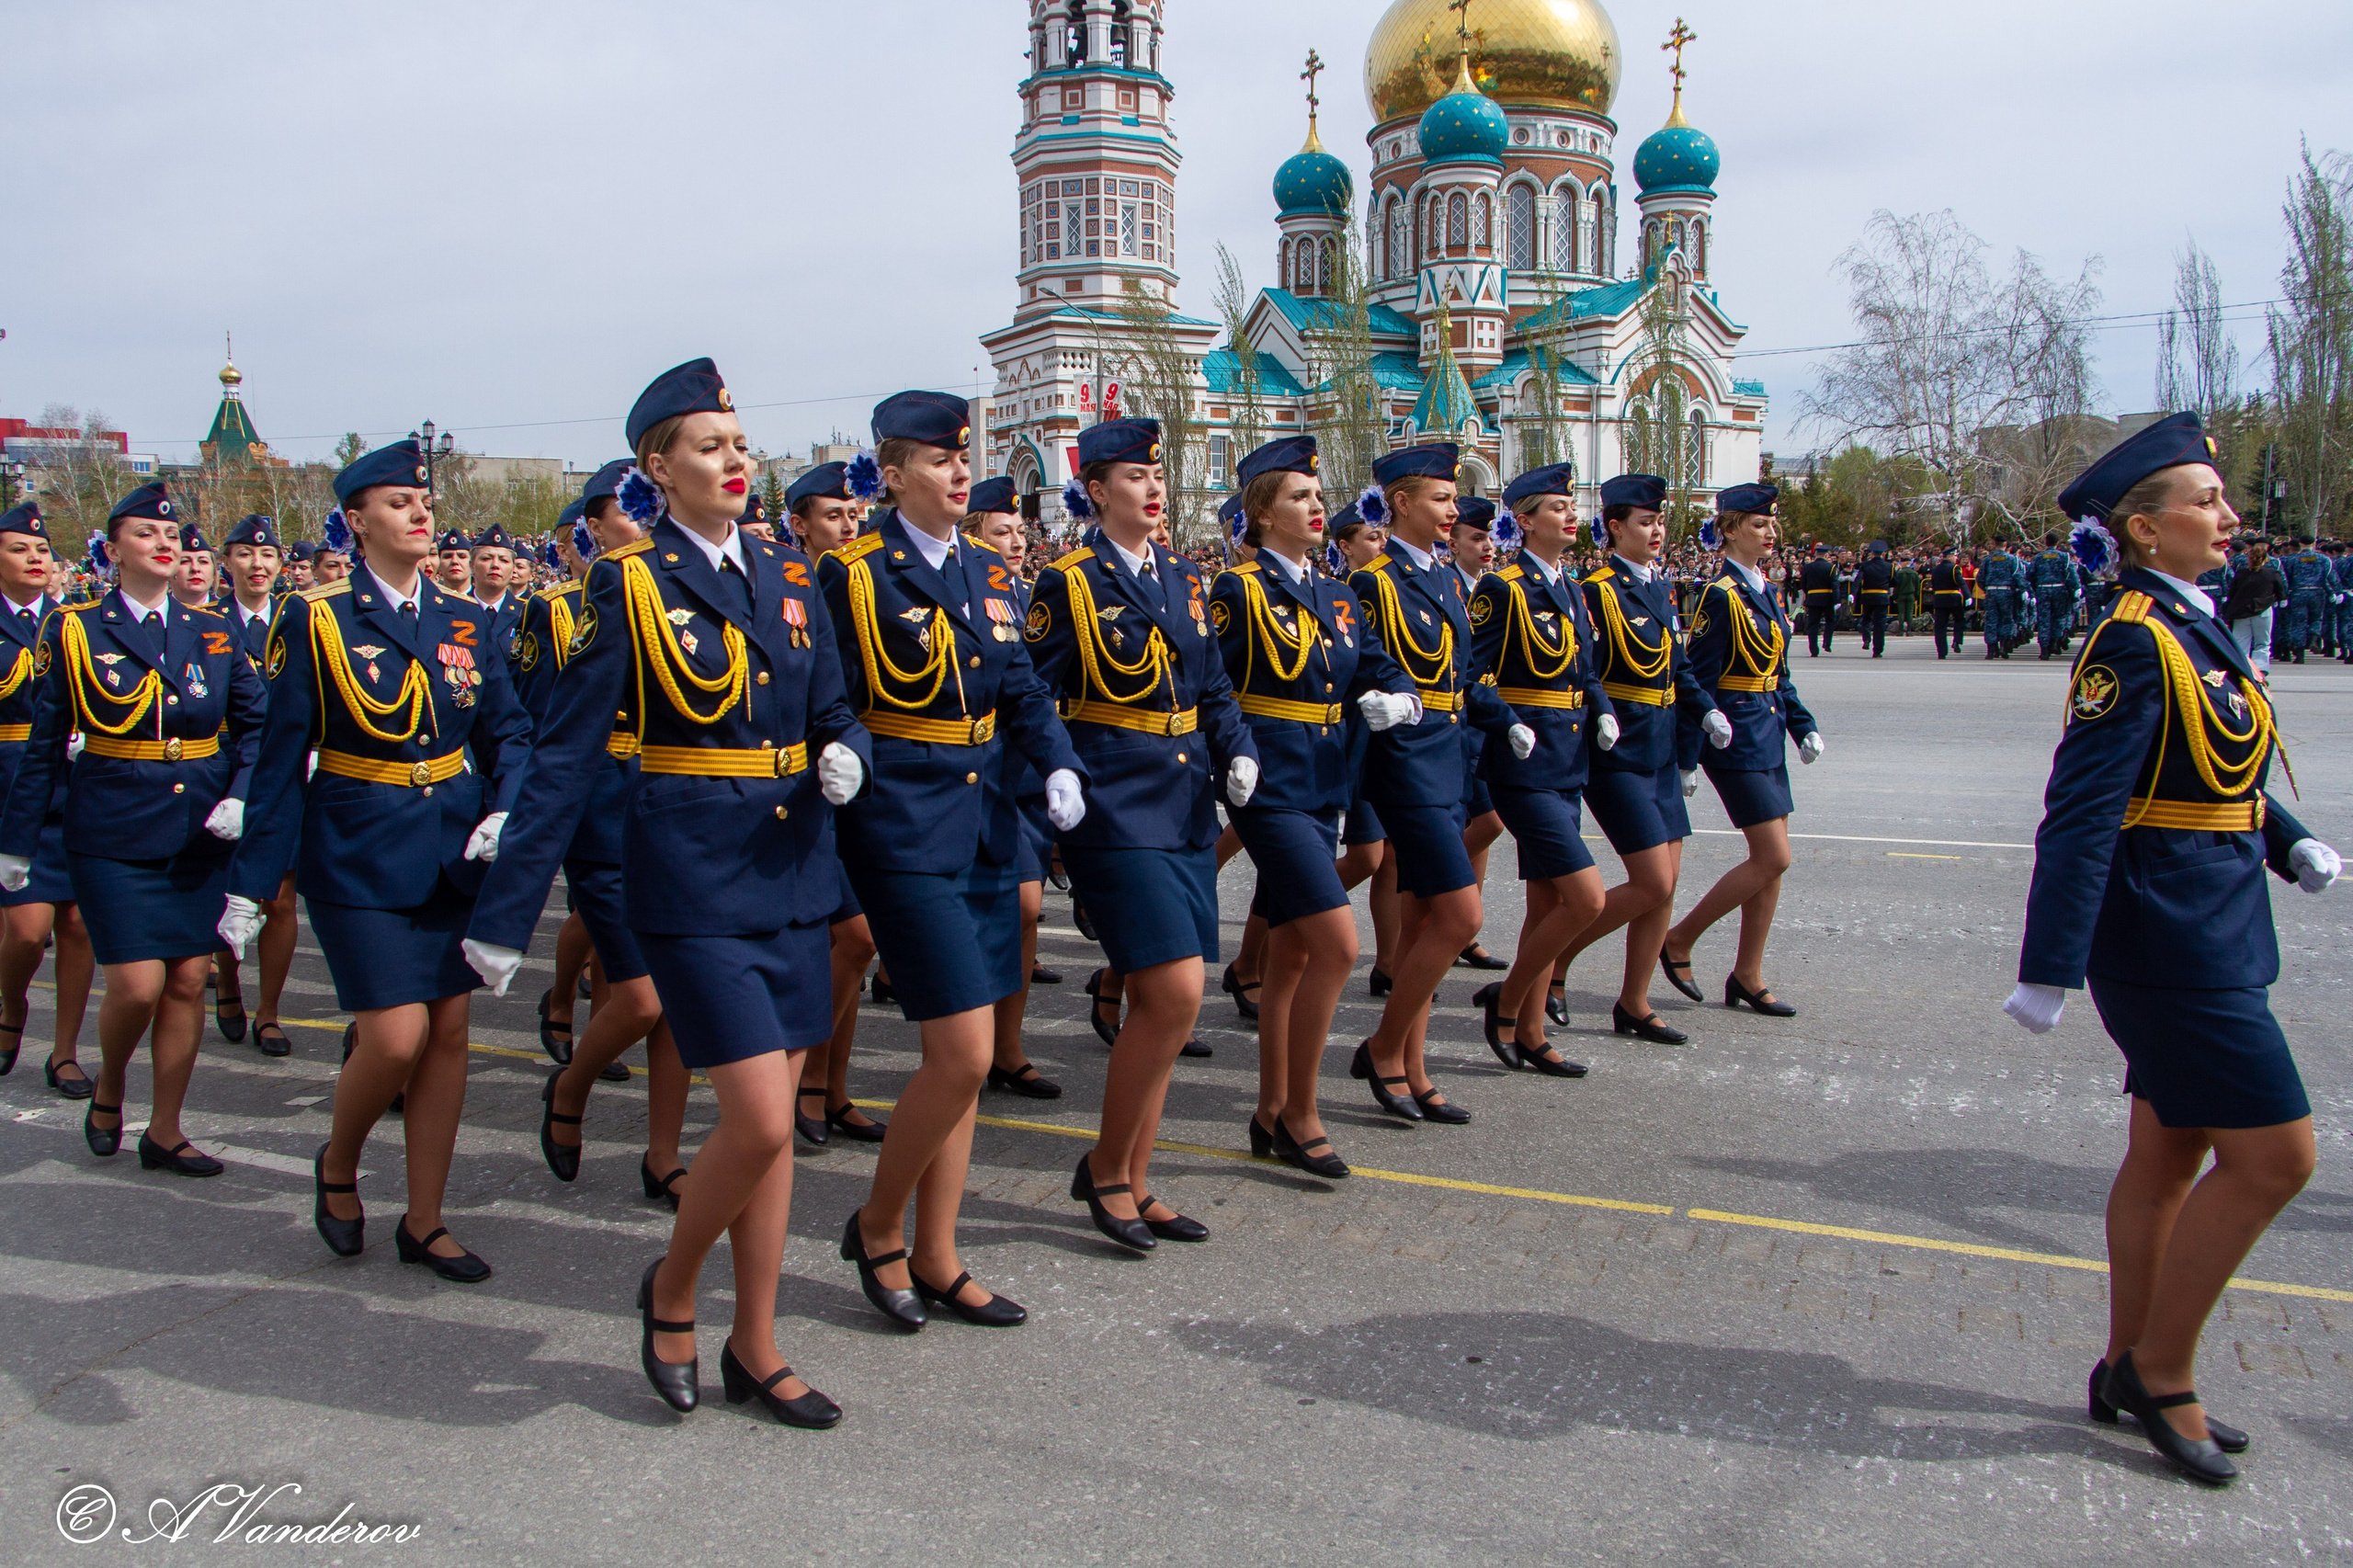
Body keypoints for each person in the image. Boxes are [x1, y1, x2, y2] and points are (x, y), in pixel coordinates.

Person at [467, 359, 869, 1426]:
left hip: (791, 873)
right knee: (757, 1115)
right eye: (707, 445)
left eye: (739, 442)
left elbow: (833, 701)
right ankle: (675, 1286)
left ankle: (759, 1342)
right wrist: (507, 911)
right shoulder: (628, 583)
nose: (733, 459)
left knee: (774, 1130)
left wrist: (845, 749)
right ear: (658, 468)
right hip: (690, 881)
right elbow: (562, 755)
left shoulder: (790, 576)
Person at [2006, 412, 2340, 1486]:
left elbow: (2214, 772)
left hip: (2214, 915)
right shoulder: (2133, 639)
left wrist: (2287, 844)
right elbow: (2082, 810)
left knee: (2170, 1154)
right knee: (2277, 1155)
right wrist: (2049, 963)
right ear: (2144, 530)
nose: (2230, 515)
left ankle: (2121, 1363)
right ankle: (2164, 1368)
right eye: (2206, 498)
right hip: (2165, 939)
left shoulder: (2190, 625)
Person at [221, 440, 527, 1282]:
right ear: (357, 522)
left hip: (452, 850)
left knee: (449, 1034)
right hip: (357, 851)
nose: (420, 514)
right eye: (398, 504)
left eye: (423, 502)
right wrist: (253, 881)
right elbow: (281, 760)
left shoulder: (467, 618)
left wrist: (507, 805)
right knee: (395, 1038)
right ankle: (339, 1160)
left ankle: (425, 1220)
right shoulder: (316, 618)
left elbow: (511, 732)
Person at [824, 392, 1085, 1322]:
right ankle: (879, 1224)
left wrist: (1055, 762)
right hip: (898, 829)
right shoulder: (854, 575)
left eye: (962, 458)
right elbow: (830, 695)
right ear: (892, 474)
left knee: (957, 1061)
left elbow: (1019, 686)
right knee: (966, 1052)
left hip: (980, 825)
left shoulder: (986, 572)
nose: (959, 472)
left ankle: (937, 1249)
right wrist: (843, 743)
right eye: (938, 460)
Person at [1029, 416, 1254, 1241]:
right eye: (1133, 478)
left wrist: (1236, 749)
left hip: (1187, 798)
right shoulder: (1070, 583)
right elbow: (1034, 697)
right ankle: (1106, 1171)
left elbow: (1214, 686)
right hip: (1116, 808)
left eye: (1157, 477)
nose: (1153, 491)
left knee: (1173, 1008)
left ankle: (1129, 1173)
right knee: (1173, 990)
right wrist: (1049, 792)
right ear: (1095, 491)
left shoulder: (1185, 578)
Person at [0, 483, 265, 1176]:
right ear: (113, 550)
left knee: (185, 982)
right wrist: (16, 842)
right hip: (112, 832)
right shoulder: (78, 628)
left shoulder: (214, 629)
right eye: (146, 533)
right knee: (139, 987)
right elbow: (44, 740)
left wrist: (241, 795)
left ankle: (168, 1129)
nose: (165, 542)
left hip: (198, 831)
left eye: (171, 534)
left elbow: (259, 726)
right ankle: (112, 1085)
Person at [1212, 437, 1415, 1176]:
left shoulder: (1336, 593)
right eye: (1298, 495)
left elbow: (1377, 661)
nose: (1315, 505)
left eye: (1316, 494)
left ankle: (1271, 1108)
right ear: (1263, 513)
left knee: (1295, 955)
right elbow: (1216, 686)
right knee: (1338, 945)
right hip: (1270, 788)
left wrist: (1401, 695)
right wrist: (1231, 750)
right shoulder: (1239, 591)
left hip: (1327, 782)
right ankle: (1300, 1111)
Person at [516, 482, 694, 1206]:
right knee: (644, 999)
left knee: (679, 997)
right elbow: (539, 731)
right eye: (629, 510)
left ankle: (663, 1154)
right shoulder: (556, 609)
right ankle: (573, 1083)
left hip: (674, 808)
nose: (645, 522)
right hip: (600, 812)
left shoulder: (687, 596)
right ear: (593, 526)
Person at [1347, 446, 1526, 1126]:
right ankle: (1385, 1046)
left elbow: (1461, 675)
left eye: (1455, 500)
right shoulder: (1375, 582)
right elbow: (1359, 669)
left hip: (1450, 758)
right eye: (1441, 499)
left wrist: (1500, 721)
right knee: (1461, 916)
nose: (1454, 510)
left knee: (1427, 919)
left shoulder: (1450, 580)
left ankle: (1414, 1068)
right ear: (1400, 503)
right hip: (1404, 765)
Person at [1546, 475, 1729, 1044]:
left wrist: (1703, 715)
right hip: (1616, 748)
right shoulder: (1597, 590)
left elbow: (1679, 668)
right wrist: (1598, 714)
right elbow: (1585, 668)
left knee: (1666, 884)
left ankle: (1634, 1001)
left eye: (1660, 522)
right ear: (1616, 527)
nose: (1656, 532)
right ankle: (1545, 964)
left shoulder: (1662, 587)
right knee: (1650, 881)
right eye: (1645, 522)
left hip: (1663, 744)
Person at [1464, 462, 1615, 1076]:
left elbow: (1584, 670)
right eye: (1557, 507)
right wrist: (1507, 721)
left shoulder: (1572, 588)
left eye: (1571, 504)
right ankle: (1507, 1000)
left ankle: (1529, 1031)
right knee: (1587, 899)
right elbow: (1472, 677)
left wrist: (1601, 710)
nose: (1570, 513)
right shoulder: (1505, 588)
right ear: (1523, 521)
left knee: (1547, 902)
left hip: (1567, 759)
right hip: (1522, 766)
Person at [1661, 485, 1822, 1016]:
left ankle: (1748, 974)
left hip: (1767, 732)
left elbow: (1779, 673)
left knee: (1769, 864)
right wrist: (1688, 757)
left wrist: (1803, 726)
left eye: (1771, 525)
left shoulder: (1768, 591)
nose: (1770, 533)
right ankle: (1680, 938)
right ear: (1729, 530)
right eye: (1757, 524)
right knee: (1775, 855)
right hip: (1733, 738)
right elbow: (1696, 680)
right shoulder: (1720, 595)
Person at [779, 460, 890, 1145]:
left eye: (855, 515)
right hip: (811, 783)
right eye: (833, 517)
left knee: (856, 945)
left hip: (864, 777)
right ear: (800, 525)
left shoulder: (868, 576)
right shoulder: (797, 583)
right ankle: (806, 1083)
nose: (850, 527)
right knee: (848, 939)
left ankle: (834, 1084)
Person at [962, 476, 1067, 1102]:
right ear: (974, 536)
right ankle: (969, 1047)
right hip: (977, 768)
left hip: (1025, 770)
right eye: (1001, 532)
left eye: (1020, 532)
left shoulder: (1026, 592)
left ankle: (1008, 1048)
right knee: (1002, 911)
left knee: (1025, 911)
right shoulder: (969, 590)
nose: (1016, 542)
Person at [0, 502, 95, 1099]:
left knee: (80, 926)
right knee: (29, 933)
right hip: (10, 790)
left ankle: (65, 1052)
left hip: (77, 789)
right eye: (19, 549)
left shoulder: (75, 622)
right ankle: (12, 1010)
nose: (36, 558)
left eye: (41, 550)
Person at [211, 514, 300, 1059]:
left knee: (282, 897)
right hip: (227, 768)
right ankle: (226, 981)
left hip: (286, 767)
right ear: (228, 564)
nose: (257, 564)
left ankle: (269, 1010)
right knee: (232, 885)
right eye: (245, 554)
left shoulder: (299, 617)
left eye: (267, 556)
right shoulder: (207, 623)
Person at [1328, 503, 1404, 997]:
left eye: (1383, 537)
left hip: (1398, 725)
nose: (1381, 545)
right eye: (1371, 538)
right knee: (1366, 857)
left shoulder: (1400, 582)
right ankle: (1284, 920)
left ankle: (1391, 963)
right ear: (1346, 547)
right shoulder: (1359, 588)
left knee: (1391, 858)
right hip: (1362, 731)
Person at [1444, 497, 1509, 973]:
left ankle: (1467, 929)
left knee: (1485, 828)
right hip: (1454, 722)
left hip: (1486, 721)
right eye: (1476, 538)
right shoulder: (1445, 585)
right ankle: (1442, 898)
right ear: (1454, 543)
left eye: (1490, 538)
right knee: (1480, 825)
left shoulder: (1498, 589)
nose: (1487, 547)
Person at [2218, 536, 2287, 676]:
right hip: (2263, 610)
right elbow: (2280, 590)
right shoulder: (2271, 573)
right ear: (2265, 558)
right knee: (2262, 643)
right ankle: (2261, 669)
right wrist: (2281, 600)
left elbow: (2232, 592)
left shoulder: (2241, 574)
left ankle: (2241, 667)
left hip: (2241, 611)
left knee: (2240, 641)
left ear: (2249, 558)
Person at [469, 523, 524, 657]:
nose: (495, 565)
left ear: (512, 570)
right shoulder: (453, 609)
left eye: (504, 560)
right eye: (486, 558)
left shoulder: (525, 613)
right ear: (472, 565)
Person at [2029, 531, 2082, 660]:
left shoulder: (2038, 557)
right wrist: (2075, 591)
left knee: (2044, 619)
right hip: (2060, 589)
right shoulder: (2064, 557)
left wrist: (2036, 587)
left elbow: (2030, 575)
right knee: (2059, 618)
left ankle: (2044, 649)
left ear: (2045, 543)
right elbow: (2071, 575)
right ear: (2057, 544)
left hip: (2043, 590)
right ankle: (2055, 642)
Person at [2279, 535, 2329, 664]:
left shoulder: (2292, 559)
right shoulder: (2323, 559)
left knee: (2298, 622)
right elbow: (2328, 577)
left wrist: (2285, 594)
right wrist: (2333, 592)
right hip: (2317, 591)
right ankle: (2312, 638)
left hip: (2298, 592)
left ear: (2300, 543)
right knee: (2316, 618)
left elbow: (2285, 578)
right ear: (2314, 543)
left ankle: (2300, 653)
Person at [1980, 540, 2027, 658]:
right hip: (2007, 592)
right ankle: (2004, 647)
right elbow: (2018, 575)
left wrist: (1987, 589)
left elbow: (1980, 577)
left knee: (1991, 620)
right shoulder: (2012, 559)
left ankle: (1991, 649)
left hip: (1991, 591)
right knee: (2007, 619)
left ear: (1995, 545)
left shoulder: (1988, 559)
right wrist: (2022, 589)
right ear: (2006, 546)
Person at [1852, 540, 1893, 657]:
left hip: (1868, 596)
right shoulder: (1889, 566)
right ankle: (1878, 650)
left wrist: (1853, 593)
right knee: (1880, 624)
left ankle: (1866, 638)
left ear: (1872, 553)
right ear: (1883, 553)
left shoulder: (1865, 565)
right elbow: (1895, 581)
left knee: (1866, 619)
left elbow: (1858, 580)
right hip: (1882, 597)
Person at [1798, 542, 1836, 655]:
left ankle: (1813, 650)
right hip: (1827, 598)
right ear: (1826, 555)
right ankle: (1827, 642)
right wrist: (1836, 600)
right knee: (1830, 621)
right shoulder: (1831, 567)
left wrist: (1809, 593)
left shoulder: (1808, 567)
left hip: (1813, 598)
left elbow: (1803, 583)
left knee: (1813, 624)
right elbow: (1834, 585)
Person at [1928, 546, 1966, 659]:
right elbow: (1961, 583)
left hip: (1939, 599)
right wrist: (1968, 596)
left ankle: (1941, 651)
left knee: (1940, 626)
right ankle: (1957, 641)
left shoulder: (1935, 569)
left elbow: (1934, 585)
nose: (1956, 558)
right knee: (1959, 620)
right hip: (1953, 598)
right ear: (1949, 556)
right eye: (1954, 556)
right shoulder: (1954, 568)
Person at [432, 529, 472, 599]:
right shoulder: (431, 597)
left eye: (462, 556)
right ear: (439, 563)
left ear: (473, 563)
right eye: (448, 556)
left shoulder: (484, 599)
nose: (454, 561)